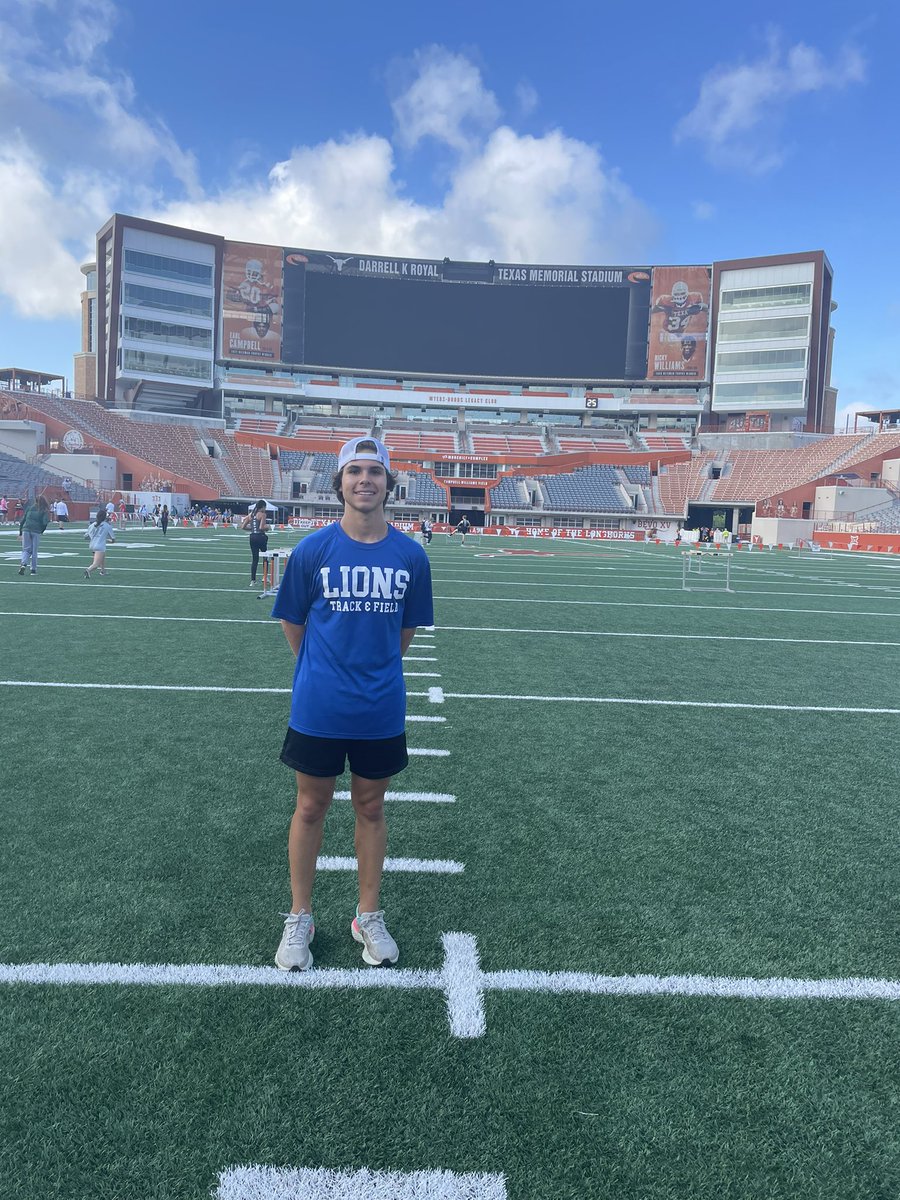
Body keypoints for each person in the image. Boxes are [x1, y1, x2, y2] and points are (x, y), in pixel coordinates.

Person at [271, 436, 434, 972]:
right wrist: (324, 670)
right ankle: (300, 915)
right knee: (310, 806)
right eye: (355, 471)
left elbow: (405, 633)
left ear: (389, 484)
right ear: (339, 483)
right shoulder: (312, 550)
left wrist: (369, 669)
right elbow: (293, 621)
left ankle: (367, 915)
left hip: (379, 706)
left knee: (371, 806)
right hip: (318, 705)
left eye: (375, 472)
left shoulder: (411, 555)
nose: (365, 480)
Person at [17, 495, 51, 575]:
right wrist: (42, 530)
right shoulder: (44, 510)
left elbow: (22, 521)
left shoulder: (29, 508)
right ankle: (33, 569)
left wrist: (20, 532)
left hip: (26, 529)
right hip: (36, 531)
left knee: (26, 549)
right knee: (34, 551)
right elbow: (45, 523)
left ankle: (23, 564)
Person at [241, 499, 269, 588]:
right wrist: (267, 527)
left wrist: (253, 529)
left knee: (255, 559)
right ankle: (265, 577)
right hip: (260, 537)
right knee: (265, 557)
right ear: (263, 507)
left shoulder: (251, 515)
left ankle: (253, 581)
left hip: (252, 537)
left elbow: (243, 526)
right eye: (265, 507)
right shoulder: (263, 514)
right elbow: (261, 527)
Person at [83, 508, 116, 578]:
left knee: (102, 557)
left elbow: (86, 536)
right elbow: (113, 539)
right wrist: (107, 540)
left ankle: (103, 571)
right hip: (100, 546)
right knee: (96, 564)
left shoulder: (92, 525)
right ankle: (88, 570)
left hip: (92, 545)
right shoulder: (107, 525)